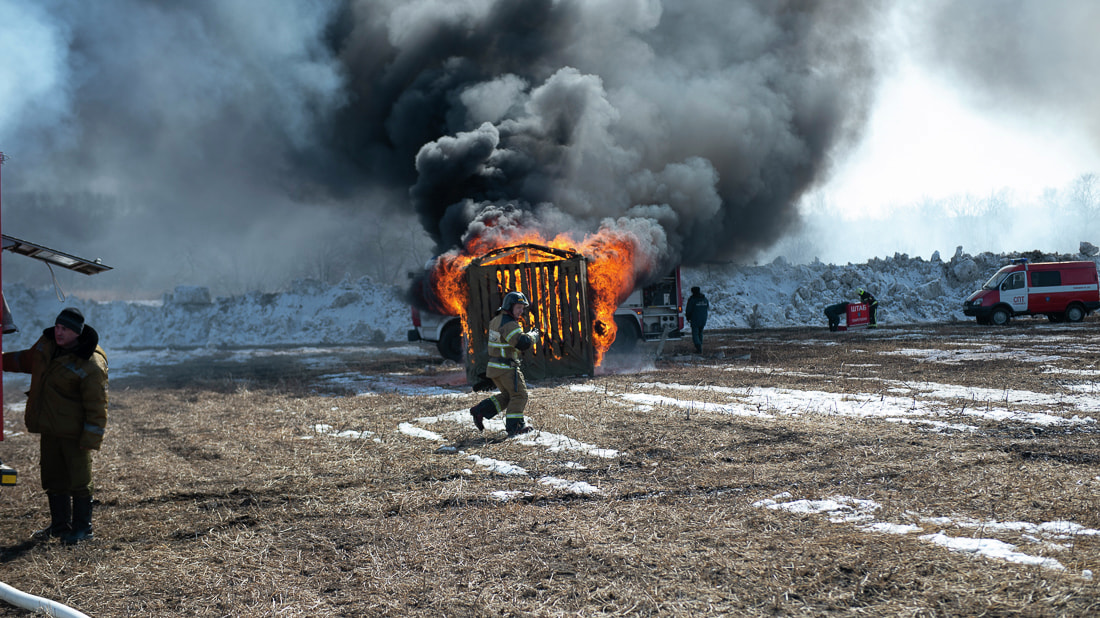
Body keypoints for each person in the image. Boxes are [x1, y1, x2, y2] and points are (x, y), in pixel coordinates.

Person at [2, 307, 108, 544]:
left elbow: (97, 406)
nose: (59, 332)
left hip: (74, 433)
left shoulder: (90, 363)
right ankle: (60, 525)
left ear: (77, 333)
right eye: (58, 327)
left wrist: (90, 439)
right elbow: (26, 360)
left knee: (79, 480)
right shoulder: (47, 346)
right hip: (50, 427)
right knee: (52, 477)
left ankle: (83, 529)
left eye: (65, 329)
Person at [469, 292, 538, 437]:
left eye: (522, 308)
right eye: (518, 307)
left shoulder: (497, 320)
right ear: (509, 306)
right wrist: (533, 336)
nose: (521, 311)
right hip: (506, 368)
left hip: (495, 368)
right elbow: (521, 343)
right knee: (520, 395)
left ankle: (480, 410)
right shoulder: (509, 323)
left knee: (508, 396)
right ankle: (515, 427)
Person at [685, 286, 709, 353]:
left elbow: (688, 310)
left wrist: (688, 317)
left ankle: (698, 347)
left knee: (695, 333)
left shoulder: (692, 299)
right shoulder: (704, 299)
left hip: (695, 319)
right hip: (703, 319)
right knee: (700, 332)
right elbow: (707, 307)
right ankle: (700, 345)